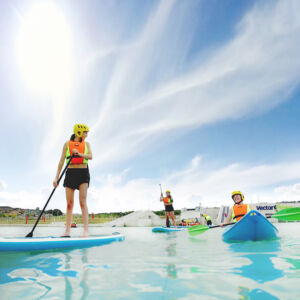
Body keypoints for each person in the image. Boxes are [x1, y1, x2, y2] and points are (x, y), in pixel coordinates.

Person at [53, 124, 93, 237]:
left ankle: (85, 231)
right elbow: (61, 162)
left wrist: (79, 153)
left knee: (82, 202)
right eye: (85, 132)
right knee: (69, 204)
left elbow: (90, 156)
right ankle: (67, 231)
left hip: (83, 173)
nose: (87, 135)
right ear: (79, 132)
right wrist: (56, 178)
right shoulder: (66, 144)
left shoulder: (87, 144)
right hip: (70, 173)